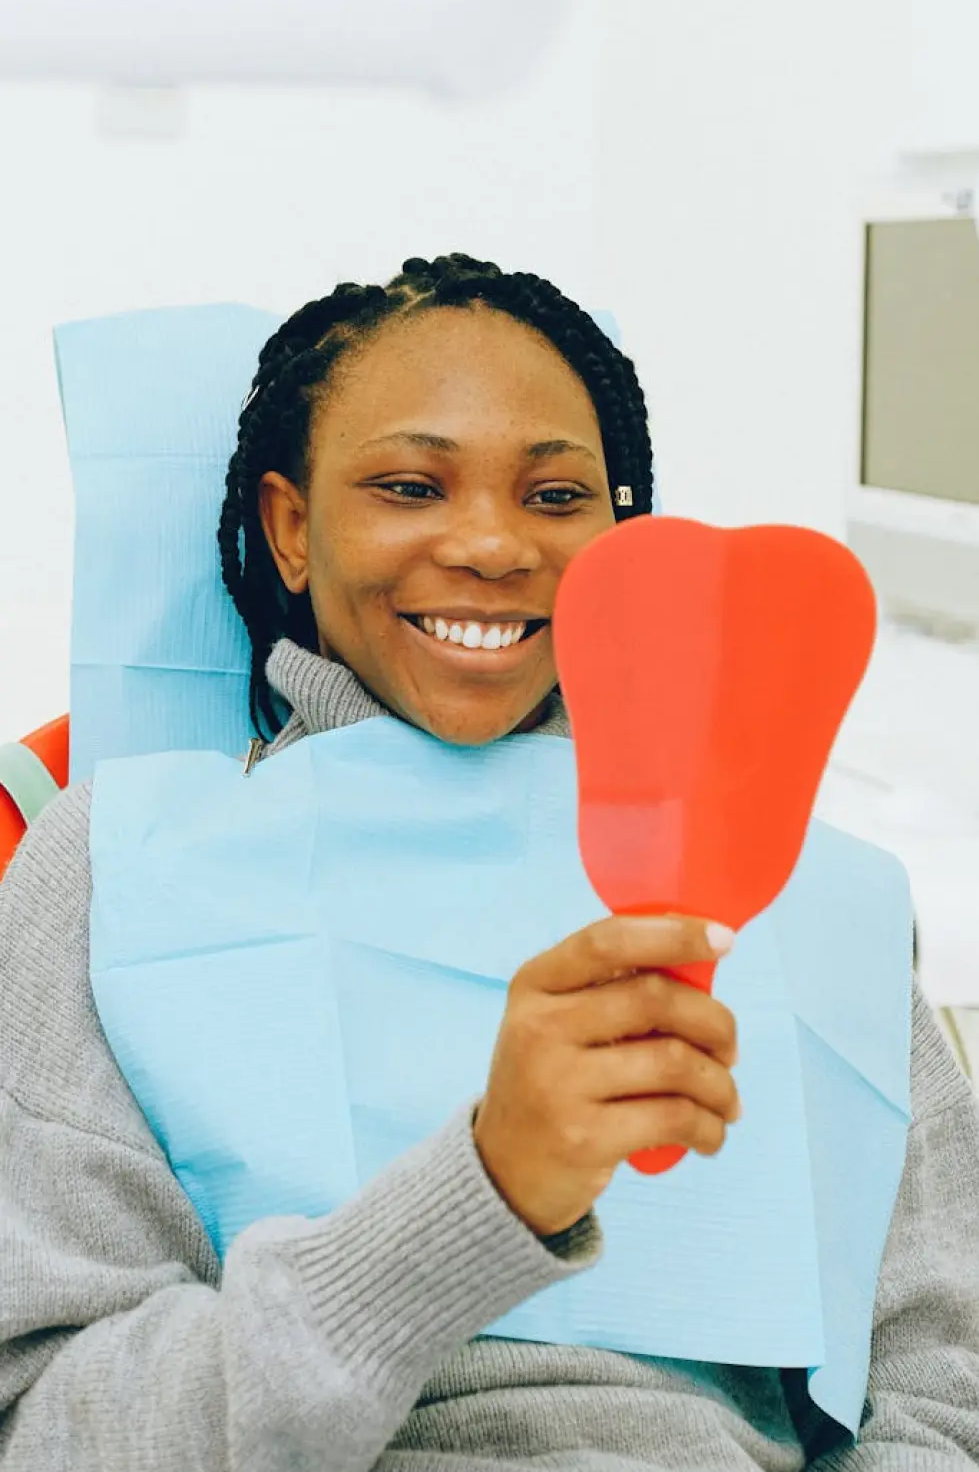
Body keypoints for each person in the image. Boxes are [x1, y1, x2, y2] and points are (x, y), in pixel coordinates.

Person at [1, 253, 977, 1471]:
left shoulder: (823, 904)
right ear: (291, 530)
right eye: (411, 484)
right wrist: (486, 1188)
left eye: (557, 495)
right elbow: (51, 1431)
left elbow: (944, 1390)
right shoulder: (108, 868)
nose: (492, 544)